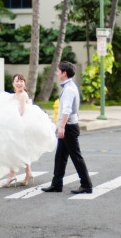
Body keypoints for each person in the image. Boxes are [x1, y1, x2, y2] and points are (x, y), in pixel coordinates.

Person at [0, 74, 57, 187]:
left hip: (21, 126)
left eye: (22, 81)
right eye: (17, 81)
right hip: (15, 127)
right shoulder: (13, 96)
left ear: (25, 84)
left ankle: (12, 175)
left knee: (14, 149)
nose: (19, 83)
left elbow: (21, 112)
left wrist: (15, 123)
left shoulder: (22, 95)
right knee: (20, 149)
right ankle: (28, 173)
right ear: (13, 83)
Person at [42, 61, 93, 194]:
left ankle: (86, 185)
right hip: (69, 126)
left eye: (58, 71)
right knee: (60, 156)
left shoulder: (69, 89)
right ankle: (57, 184)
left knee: (76, 157)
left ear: (64, 73)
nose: (57, 73)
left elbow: (67, 110)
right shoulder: (69, 86)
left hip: (69, 127)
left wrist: (62, 127)